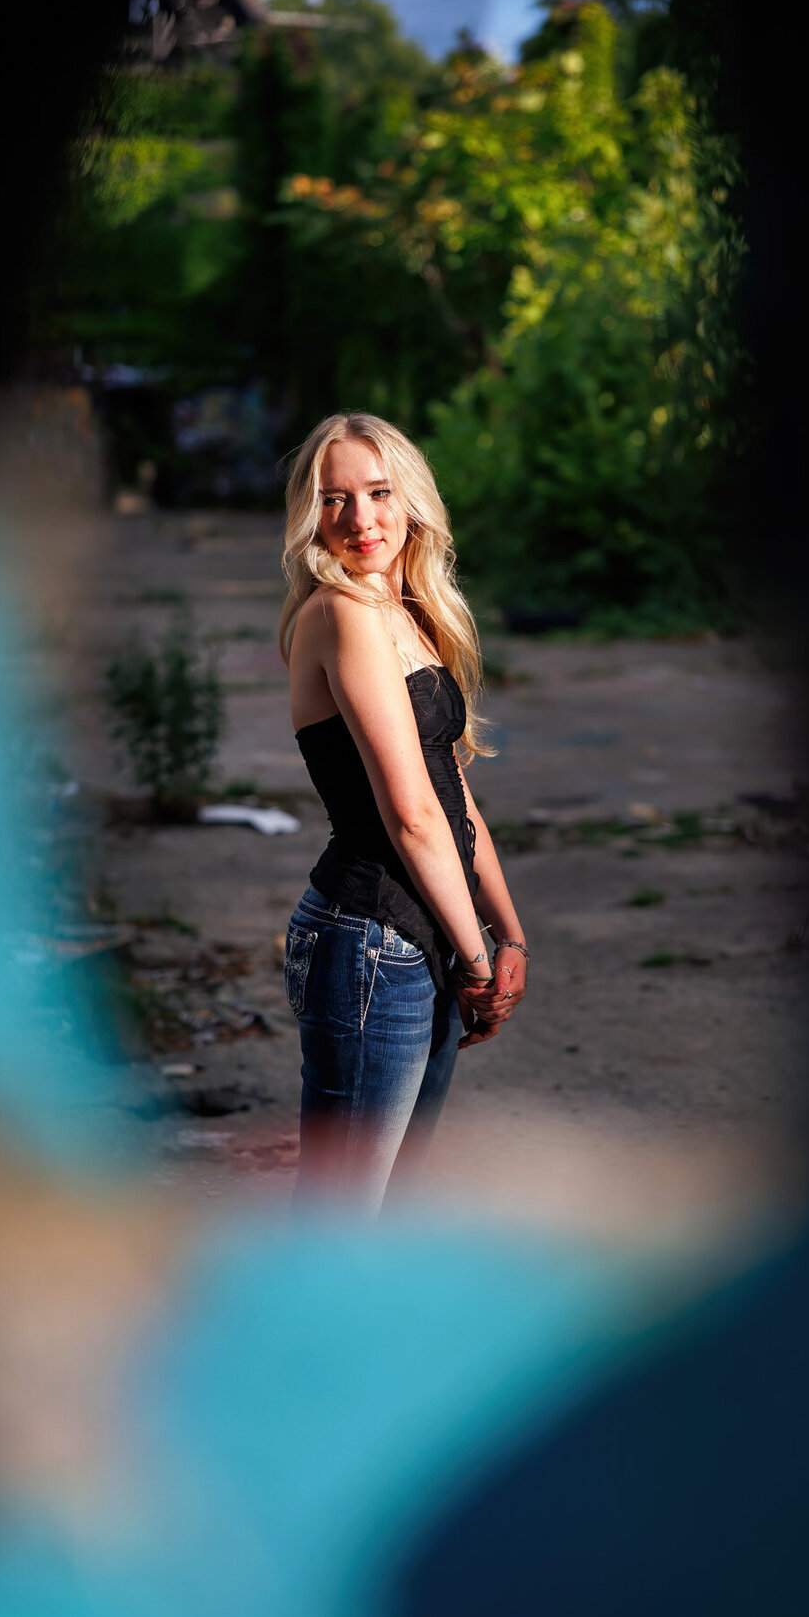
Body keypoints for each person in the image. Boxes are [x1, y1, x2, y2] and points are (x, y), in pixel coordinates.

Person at [279, 410, 529, 1210]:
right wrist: (479, 956)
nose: (360, 519)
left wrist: (508, 930)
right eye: (334, 499)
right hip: (369, 940)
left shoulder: (408, 614)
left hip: (426, 938)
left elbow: (453, 797)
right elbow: (411, 814)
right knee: (342, 1217)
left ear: (411, 499)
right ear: (309, 514)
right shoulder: (340, 615)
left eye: (379, 492)